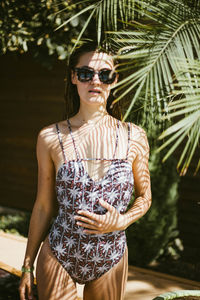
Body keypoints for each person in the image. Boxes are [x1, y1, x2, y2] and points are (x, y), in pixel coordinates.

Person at [19, 42, 152, 300]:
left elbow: (145, 196)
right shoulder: (50, 137)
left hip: (110, 256)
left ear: (115, 79)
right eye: (85, 73)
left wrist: (122, 220)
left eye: (105, 74)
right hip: (60, 253)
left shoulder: (134, 136)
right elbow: (44, 206)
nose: (95, 81)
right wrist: (27, 265)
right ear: (73, 77)